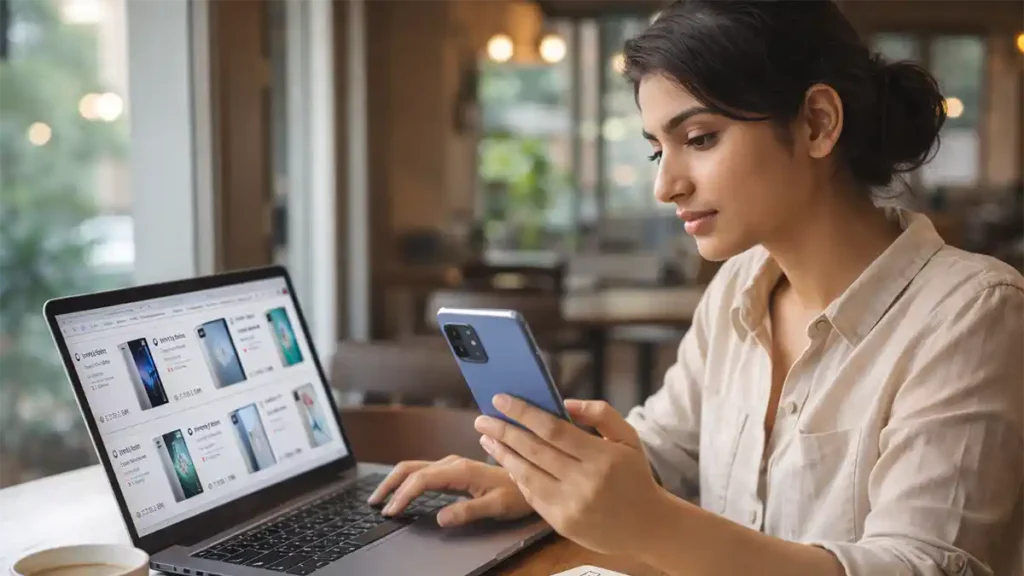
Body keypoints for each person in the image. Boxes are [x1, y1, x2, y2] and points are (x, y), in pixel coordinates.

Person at [369, 1, 1024, 574]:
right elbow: (668, 451)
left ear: (819, 122)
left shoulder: (973, 315)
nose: (666, 186)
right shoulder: (740, 287)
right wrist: (543, 484)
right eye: (659, 149)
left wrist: (653, 523)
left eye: (700, 138)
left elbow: (918, 567)